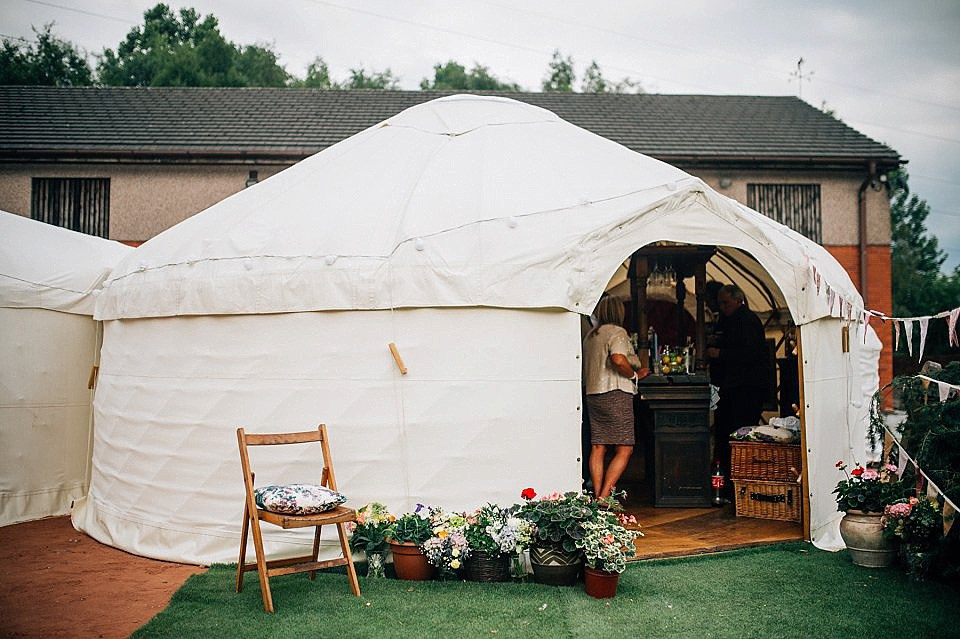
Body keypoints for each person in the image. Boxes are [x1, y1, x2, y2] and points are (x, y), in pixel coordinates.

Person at [582, 296, 651, 499]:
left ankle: (597, 496)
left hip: (593, 393)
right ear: (619, 312)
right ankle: (604, 498)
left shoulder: (591, 335)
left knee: (598, 446)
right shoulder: (617, 332)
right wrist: (634, 375)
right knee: (625, 447)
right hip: (615, 392)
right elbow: (618, 359)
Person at [706, 284, 769, 487]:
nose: (722, 307)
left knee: (739, 435)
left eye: (725, 303)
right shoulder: (728, 320)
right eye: (720, 303)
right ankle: (728, 481)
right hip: (730, 388)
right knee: (727, 434)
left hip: (745, 389)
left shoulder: (747, 321)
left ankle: (740, 481)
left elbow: (750, 354)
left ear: (738, 300)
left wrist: (720, 353)